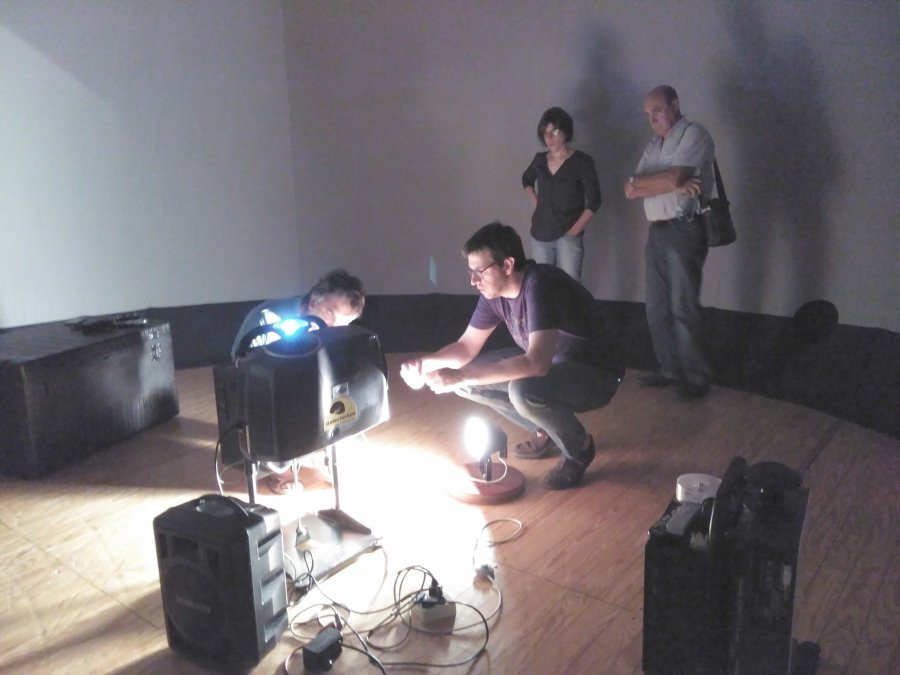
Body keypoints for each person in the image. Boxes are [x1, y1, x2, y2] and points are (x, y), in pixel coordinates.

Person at [400, 222, 622, 490]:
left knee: (522, 389)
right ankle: (545, 429)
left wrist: (460, 375)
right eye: (471, 272)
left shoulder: (540, 285)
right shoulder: (493, 295)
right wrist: (424, 364)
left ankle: (579, 449)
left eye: (480, 271)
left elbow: (536, 364)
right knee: (467, 383)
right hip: (554, 365)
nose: (473, 281)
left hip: (596, 373)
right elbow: (466, 347)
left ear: (507, 265)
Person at [231, 269, 366, 494]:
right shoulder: (267, 319)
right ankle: (280, 470)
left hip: (312, 390)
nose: (334, 326)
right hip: (268, 393)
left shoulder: (336, 329)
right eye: (330, 314)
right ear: (313, 301)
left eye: (344, 322)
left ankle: (322, 455)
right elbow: (244, 370)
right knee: (272, 422)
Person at [624, 85, 715, 400]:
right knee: (657, 306)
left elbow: (673, 177)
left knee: (682, 305)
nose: (652, 119)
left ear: (674, 106)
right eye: (648, 114)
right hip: (658, 230)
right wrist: (672, 185)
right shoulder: (654, 145)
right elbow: (630, 189)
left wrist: (663, 182)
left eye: (657, 111)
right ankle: (669, 370)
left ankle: (696, 376)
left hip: (684, 228)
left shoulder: (694, 134)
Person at [522, 107, 601, 283]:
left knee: (569, 285)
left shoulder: (582, 162)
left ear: (566, 132)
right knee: (542, 284)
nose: (549, 138)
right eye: (545, 133)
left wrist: (575, 229)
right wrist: (537, 202)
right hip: (541, 233)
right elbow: (526, 179)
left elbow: (594, 200)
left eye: (555, 132)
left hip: (568, 234)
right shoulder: (539, 160)